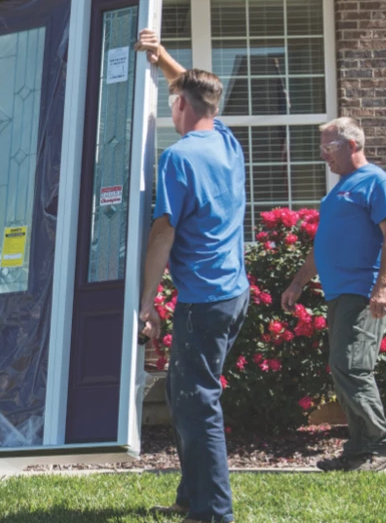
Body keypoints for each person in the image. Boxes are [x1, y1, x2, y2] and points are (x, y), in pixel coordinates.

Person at [135, 30, 248, 523]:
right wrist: (160, 56)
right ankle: (190, 498)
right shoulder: (226, 140)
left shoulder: (178, 158)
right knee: (185, 398)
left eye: (172, 102)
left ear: (178, 106)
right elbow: (195, 89)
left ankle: (213, 513)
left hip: (203, 300)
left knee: (197, 405)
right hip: (232, 293)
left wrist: (145, 303)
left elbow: (163, 234)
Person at [281, 117, 386, 472]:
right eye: (321, 148)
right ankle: (358, 450)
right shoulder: (338, 190)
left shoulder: (376, 182)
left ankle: (383, 444)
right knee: (342, 367)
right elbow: (322, 246)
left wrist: (382, 286)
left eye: (329, 147)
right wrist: (297, 283)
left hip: (363, 292)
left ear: (353, 145)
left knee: (352, 366)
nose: (323, 156)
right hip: (339, 293)